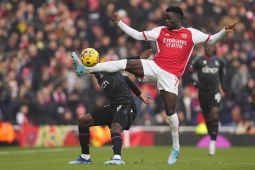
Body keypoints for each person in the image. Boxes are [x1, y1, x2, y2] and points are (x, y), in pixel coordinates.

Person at [72, 6, 238, 164]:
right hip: (155, 66)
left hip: (170, 76)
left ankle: (175, 147)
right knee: (122, 64)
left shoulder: (191, 34)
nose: (166, 21)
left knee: (170, 111)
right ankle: (85, 68)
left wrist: (224, 31)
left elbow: (213, 39)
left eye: (169, 18)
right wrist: (120, 23)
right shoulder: (160, 31)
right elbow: (137, 35)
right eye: (165, 18)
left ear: (178, 18)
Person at [69, 50, 153, 165]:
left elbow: (124, 63)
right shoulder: (97, 73)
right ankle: (85, 157)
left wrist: (139, 94)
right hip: (114, 106)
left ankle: (117, 158)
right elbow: (126, 78)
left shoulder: (109, 67)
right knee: (83, 121)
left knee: (115, 126)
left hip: (127, 105)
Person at [188, 43, 225, 155]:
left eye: (211, 46)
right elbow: (189, 72)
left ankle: (213, 143)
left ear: (214, 48)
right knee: (207, 116)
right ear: (204, 48)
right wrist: (194, 82)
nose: (208, 48)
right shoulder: (198, 60)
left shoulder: (219, 62)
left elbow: (222, 75)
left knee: (215, 114)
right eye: (207, 46)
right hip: (203, 93)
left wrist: (222, 88)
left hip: (215, 92)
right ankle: (211, 134)